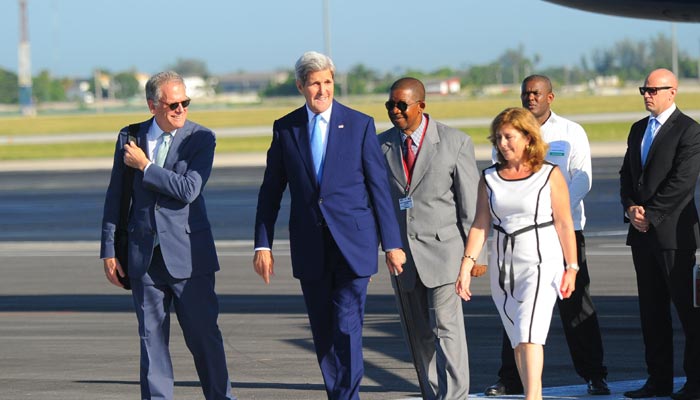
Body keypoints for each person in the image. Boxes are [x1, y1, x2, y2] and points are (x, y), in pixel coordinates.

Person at [253, 51, 406, 400]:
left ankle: (346, 396)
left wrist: (392, 244)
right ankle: (336, 393)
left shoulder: (359, 124)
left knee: (347, 325)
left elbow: (378, 189)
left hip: (354, 243)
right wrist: (263, 244)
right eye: (314, 83)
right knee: (323, 330)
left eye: (328, 82)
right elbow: (271, 191)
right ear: (300, 86)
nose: (322, 90)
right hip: (310, 246)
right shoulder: (286, 128)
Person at [100, 71, 235, 399]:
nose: (180, 109)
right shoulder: (130, 137)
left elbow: (189, 189)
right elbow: (117, 195)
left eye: (185, 103)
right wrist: (108, 248)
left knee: (204, 339)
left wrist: (146, 166)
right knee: (152, 344)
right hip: (143, 257)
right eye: (172, 104)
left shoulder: (201, 138)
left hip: (190, 256)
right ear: (152, 106)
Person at [484, 75, 609, 396]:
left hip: (563, 232)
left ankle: (594, 374)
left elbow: (582, 177)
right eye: (526, 94)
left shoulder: (570, 133)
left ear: (550, 97)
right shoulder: (508, 134)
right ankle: (510, 377)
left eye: (537, 93)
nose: (531, 98)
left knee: (576, 306)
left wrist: (554, 210)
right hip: (519, 241)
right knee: (516, 310)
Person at [456, 107, 578, 400]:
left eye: (509, 136)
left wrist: (571, 267)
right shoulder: (489, 178)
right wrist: (466, 266)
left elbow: (563, 222)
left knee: (530, 331)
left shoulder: (549, 174)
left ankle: (532, 396)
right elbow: (480, 224)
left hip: (541, 261)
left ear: (527, 138)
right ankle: (530, 392)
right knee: (517, 338)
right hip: (504, 265)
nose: (503, 143)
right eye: (498, 137)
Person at [377, 77, 480, 399]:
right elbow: (374, 202)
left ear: (421, 105)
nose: (395, 110)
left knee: (448, 330)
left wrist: (475, 259)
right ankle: (432, 394)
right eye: (390, 104)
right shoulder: (379, 145)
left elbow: (471, 207)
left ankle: (456, 396)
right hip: (402, 258)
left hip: (445, 253)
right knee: (417, 334)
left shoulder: (455, 142)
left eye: (401, 105)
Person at [619, 68, 700, 400]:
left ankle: (695, 383)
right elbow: (628, 174)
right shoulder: (638, 129)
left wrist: (649, 214)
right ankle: (658, 380)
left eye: (654, 89)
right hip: (642, 235)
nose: (647, 95)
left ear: (673, 92)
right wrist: (630, 208)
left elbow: (683, 182)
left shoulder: (689, 131)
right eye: (644, 89)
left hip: (674, 237)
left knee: (689, 314)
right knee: (651, 313)